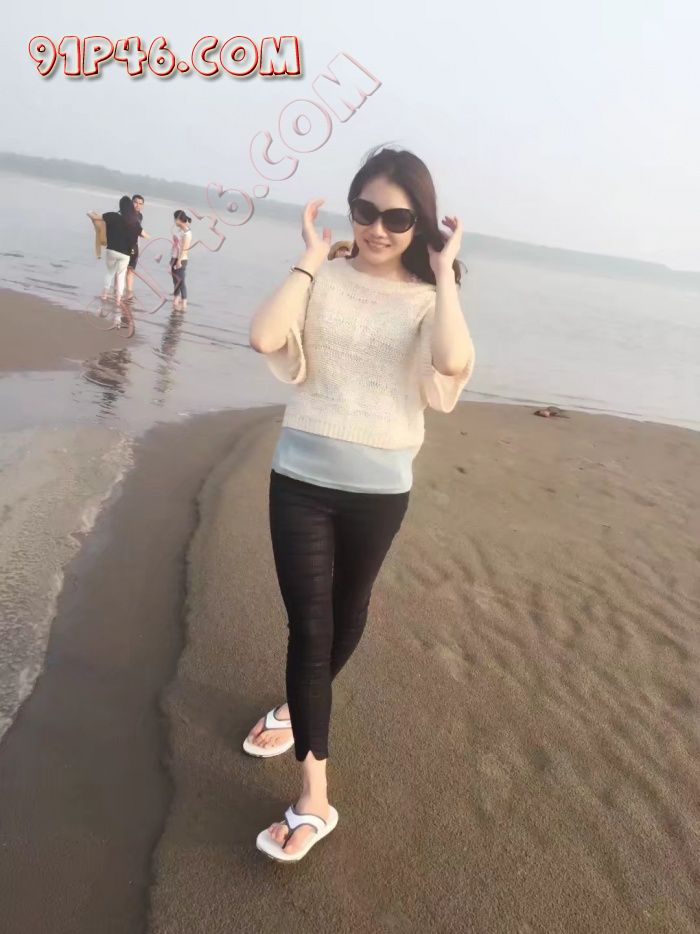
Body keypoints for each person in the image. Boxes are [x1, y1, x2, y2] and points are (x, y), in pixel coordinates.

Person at [246, 147, 476, 862]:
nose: (378, 228)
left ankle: (295, 708)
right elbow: (265, 336)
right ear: (351, 209)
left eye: (398, 218)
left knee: (347, 614)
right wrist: (311, 257)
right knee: (309, 627)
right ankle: (315, 796)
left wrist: (444, 274)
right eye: (366, 211)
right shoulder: (324, 275)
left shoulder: (428, 296)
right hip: (299, 478)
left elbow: (451, 362)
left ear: (420, 224)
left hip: (379, 488)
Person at [88, 195, 141, 336]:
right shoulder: (135, 223)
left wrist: (90, 213)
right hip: (125, 255)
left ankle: (105, 295)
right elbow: (140, 236)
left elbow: (97, 218)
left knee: (110, 273)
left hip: (111, 251)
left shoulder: (112, 216)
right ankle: (118, 300)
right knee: (121, 276)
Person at [125, 194, 149, 302]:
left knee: (131, 270)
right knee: (121, 270)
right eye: (135, 202)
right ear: (131, 203)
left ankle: (129, 294)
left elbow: (138, 229)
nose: (137, 205)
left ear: (142, 205)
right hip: (124, 245)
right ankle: (117, 292)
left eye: (140, 203)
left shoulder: (140, 216)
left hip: (134, 247)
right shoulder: (126, 213)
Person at [171, 210, 192, 311]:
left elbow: (184, 248)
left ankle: (184, 303)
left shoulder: (187, 233)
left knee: (181, 282)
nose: (174, 221)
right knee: (175, 281)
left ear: (178, 219)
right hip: (174, 257)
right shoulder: (181, 230)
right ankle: (176, 300)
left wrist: (179, 261)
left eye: (175, 219)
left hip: (181, 259)